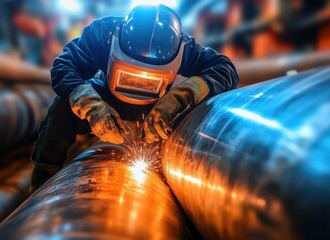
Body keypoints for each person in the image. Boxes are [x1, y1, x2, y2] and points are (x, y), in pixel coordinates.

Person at [30, 4, 239, 192]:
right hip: (105, 100)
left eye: (149, 79)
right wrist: (91, 105)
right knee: (61, 108)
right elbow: (64, 65)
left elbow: (225, 69)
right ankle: (41, 180)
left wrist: (180, 97)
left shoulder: (185, 48)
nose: (139, 83)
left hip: (160, 109)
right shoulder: (104, 33)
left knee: (194, 116)